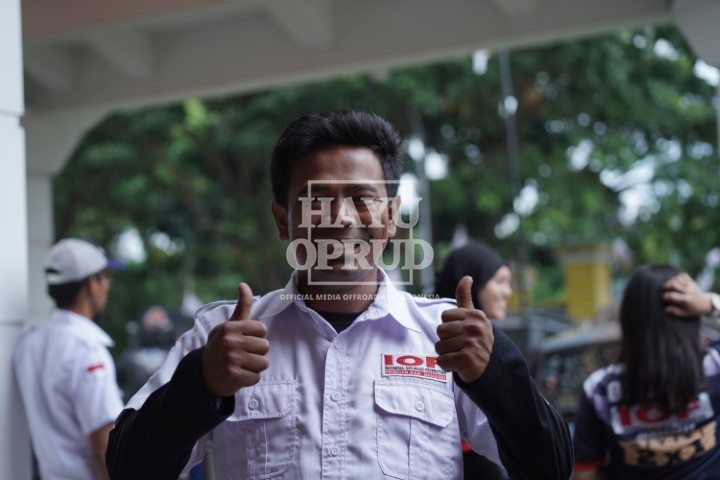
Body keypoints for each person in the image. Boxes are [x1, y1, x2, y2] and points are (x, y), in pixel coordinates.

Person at [106, 110, 572, 479]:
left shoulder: (448, 336)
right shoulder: (220, 338)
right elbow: (126, 468)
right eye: (317, 199)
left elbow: (550, 468)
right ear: (283, 220)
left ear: (390, 217)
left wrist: (496, 374)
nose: (342, 217)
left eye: (362, 198)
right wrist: (200, 385)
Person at [573, 265, 720, 480]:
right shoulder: (715, 366)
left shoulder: (600, 390)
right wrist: (711, 303)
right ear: (692, 316)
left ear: (628, 320)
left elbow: (586, 474)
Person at [14, 238, 125, 480]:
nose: (108, 286)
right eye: (105, 277)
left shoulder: (29, 344)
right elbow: (104, 448)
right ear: (90, 285)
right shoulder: (88, 350)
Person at [437, 242, 514, 479]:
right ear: (472, 283)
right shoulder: (429, 340)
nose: (508, 292)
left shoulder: (494, 341)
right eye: (500, 281)